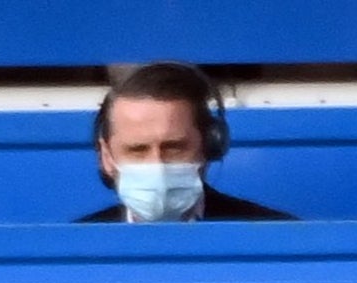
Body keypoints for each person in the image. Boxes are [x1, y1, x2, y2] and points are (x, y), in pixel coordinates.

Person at [79, 63, 293, 225]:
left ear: (208, 147)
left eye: (174, 147)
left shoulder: (275, 234)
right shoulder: (77, 247)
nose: (157, 165)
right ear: (106, 157)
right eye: (137, 149)